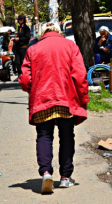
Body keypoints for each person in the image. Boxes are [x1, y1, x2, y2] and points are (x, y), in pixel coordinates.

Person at [19, 22, 89, 194]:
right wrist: (84, 97)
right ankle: (65, 177)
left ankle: (46, 172)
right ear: (59, 32)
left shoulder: (33, 49)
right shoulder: (70, 46)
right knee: (67, 136)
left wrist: (33, 89)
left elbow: (25, 79)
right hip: (66, 99)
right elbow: (80, 75)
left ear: (43, 33)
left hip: (43, 99)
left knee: (44, 135)